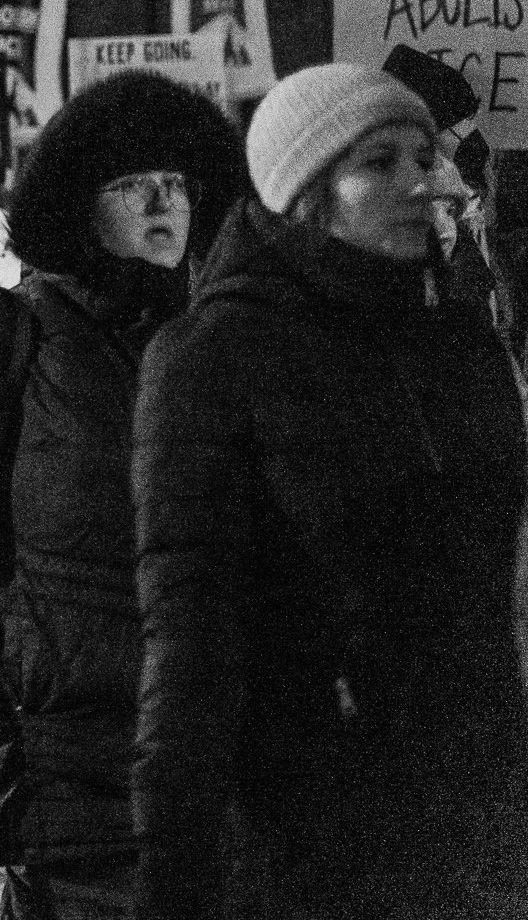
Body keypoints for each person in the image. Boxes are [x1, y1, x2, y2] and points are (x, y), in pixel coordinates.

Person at [133, 64, 528, 919]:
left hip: (476, 819)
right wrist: (176, 872)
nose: (418, 182)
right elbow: (192, 631)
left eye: (423, 157)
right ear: (306, 192)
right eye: (376, 163)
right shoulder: (216, 351)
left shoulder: (457, 341)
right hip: (309, 833)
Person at [0, 72, 246, 919]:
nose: (161, 202)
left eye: (177, 183)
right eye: (132, 184)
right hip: (61, 778)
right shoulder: (1, 330)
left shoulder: (203, 348)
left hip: (196, 766)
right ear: (77, 204)